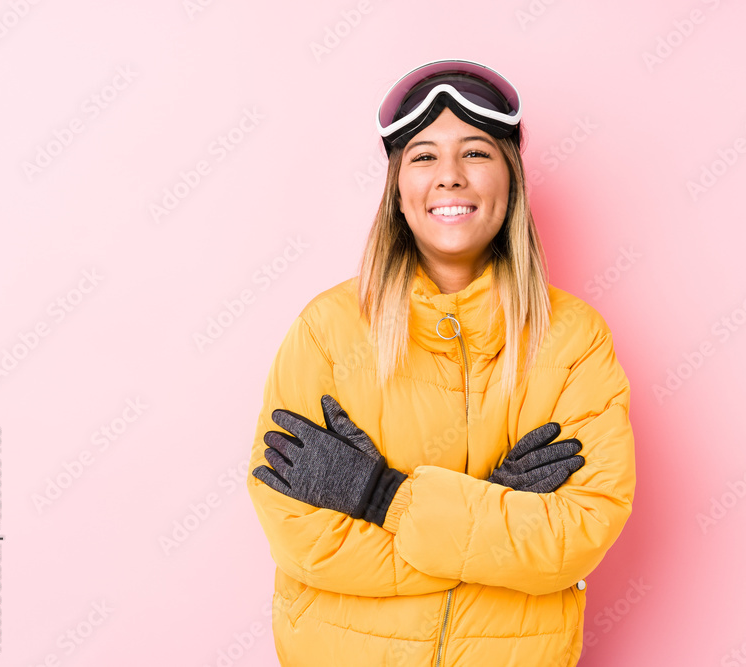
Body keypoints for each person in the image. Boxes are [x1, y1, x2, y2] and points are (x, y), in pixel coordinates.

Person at [246, 58, 636, 666]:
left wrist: (382, 499)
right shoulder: (328, 331)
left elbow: (578, 534)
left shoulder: (574, 340)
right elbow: (299, 536)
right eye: (424, 156)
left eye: (476, 153)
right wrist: (493, 526)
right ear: (398, 191)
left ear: (511, 179)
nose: (450, 176)